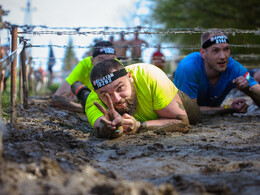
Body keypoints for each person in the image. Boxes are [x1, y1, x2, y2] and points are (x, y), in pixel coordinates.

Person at [86, 59, 201, 139]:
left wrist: (139, 126)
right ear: (97, 94)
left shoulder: (151, 77)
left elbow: (184, 124)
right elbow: (102, 128)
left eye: (120, 88)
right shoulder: (93, 102)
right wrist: (112, 129)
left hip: (169, 97)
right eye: (106, 95)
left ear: (130, 77)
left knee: (198, 117)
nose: (116, 99)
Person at [173, 31, 260, 115]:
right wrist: (228, 108)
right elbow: (190, 113)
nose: (223, 57)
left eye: (226, 49)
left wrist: (248, 90)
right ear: (203, 53)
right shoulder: (189, 67)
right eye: (216, 50)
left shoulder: (234, 67)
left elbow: (256, 89)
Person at [51, 41, 116, 112]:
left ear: (115, 59)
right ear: (92, 61)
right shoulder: (84, 65)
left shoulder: (118, 67)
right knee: (77, 86)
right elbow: (56, 99)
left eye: (111, 60)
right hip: (88, 102)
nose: (106, 65)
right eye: (101, 59)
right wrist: (88, 108)